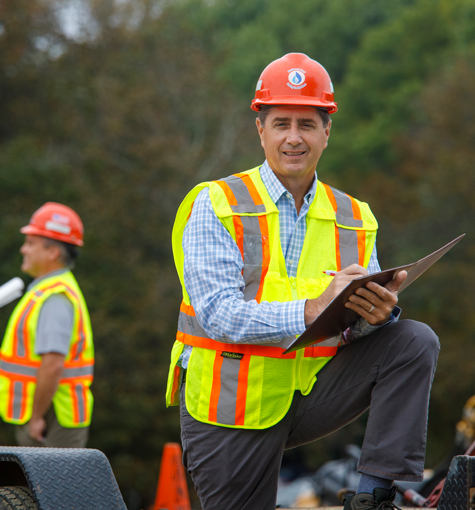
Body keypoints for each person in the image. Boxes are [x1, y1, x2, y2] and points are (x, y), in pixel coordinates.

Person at [165, 53, 440, 510]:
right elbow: (218, 316)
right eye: (281, 124)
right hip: (229, 406)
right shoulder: (215, 205)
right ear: (261, 130)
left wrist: (374, 316)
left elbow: (350, 328)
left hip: (311, 393)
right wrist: (313, 308)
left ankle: (373, 498)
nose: (294, 138)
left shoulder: (354, 216)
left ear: (326, 132)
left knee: (411, 340)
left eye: (307, 125)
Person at [0, 202, 93, 448]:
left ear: (52, 253)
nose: (23, 249)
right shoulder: (49, 290)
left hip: (51, 417)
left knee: (53, 487)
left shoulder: (55, 296)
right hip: (52, 413)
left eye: (30, 243)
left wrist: (36, 416)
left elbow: (53, 365)